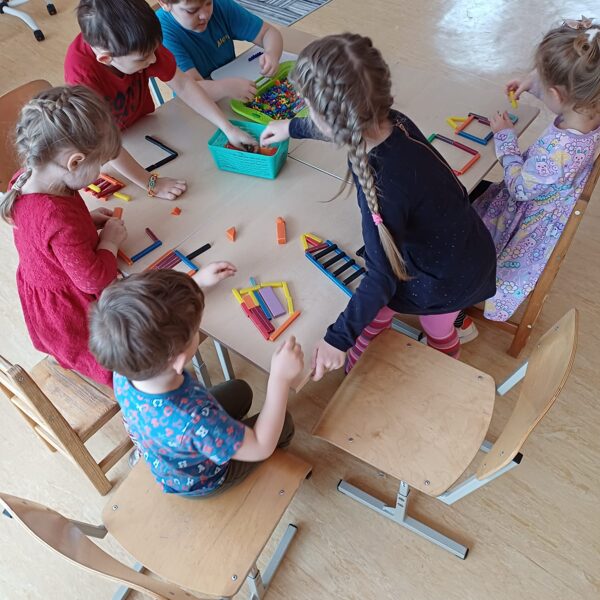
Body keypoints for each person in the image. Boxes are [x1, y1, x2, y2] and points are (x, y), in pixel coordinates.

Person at [260, 33, 496, 379]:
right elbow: (347, 123)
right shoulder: (393, 119)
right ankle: (452, 326)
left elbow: (381, 279)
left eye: (309, 109)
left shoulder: (382, 186)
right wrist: (293, 127)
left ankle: (426, 376)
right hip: (468, 257)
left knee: (397, 321)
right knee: (426, 322)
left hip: (442, 280)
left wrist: (338, 340)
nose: (308, 115)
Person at [89, 270, 304, 496]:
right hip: (204, 480)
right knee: (284, 423)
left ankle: (228, 440)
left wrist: (195, 285)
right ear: (179, 360)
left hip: (166, 446)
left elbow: (152, 323)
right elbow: (261, 445)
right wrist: (279, 379)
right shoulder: (195, 419)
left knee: (241, 390)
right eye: (195, 329)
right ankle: (270, 469)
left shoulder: (125, 366)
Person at [470, 17, 600, 321]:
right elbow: (572, 91)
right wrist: (532, 81)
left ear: (556, 93)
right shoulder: (590, 104)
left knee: (467, 236)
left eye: (542, 80)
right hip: (548, 194)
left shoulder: (558, 152)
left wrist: (506, 138)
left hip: (526, 213)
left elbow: (519, 188)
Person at [65, 0, 255, 201]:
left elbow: (183, 84)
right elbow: (106, 143)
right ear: (106, 58)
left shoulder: (141, 41)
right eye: (143, 59)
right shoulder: (82, 76)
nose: (153, 60)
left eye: (154, 51)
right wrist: (151, 183)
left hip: (144, 126)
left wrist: (228, 128)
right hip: (110, 147)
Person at [0, 86, 125, 386]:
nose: (100, 170)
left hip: (47, 294)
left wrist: (86, 223)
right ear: (75, 162)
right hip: (72, 318)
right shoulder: (56, 216)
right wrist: (109, 242)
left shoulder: (25, 179)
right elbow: (92, 280)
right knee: (124, 360)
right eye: (99, 164)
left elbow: (45, 238)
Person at [157, 0, 283, 101]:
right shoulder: (161, 33)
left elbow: (268, 33)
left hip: (233, 86)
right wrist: (225, 88)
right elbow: (190, 89)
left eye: (208, 3)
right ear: (164, 3)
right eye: (192, 10)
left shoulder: (220, 4)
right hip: (197, 103)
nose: (205, 15)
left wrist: (272, 53)